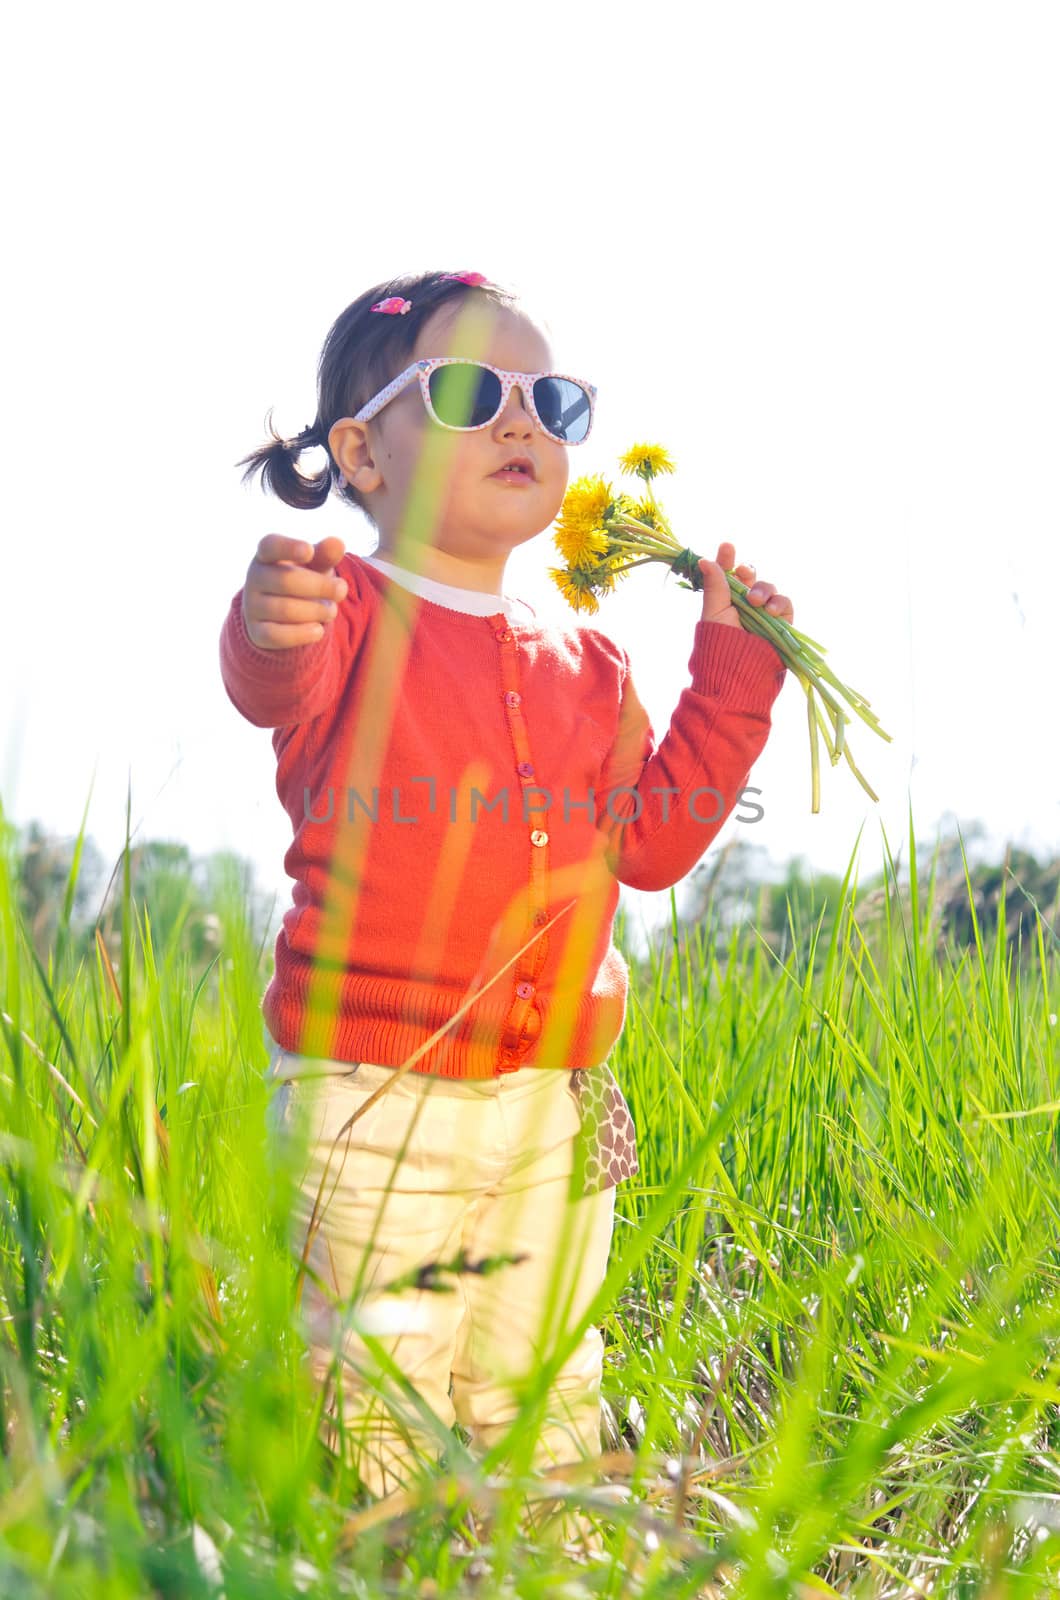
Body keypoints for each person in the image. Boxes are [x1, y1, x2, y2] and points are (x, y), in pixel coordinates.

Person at [218, 269, 794, 1546]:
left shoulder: (588, 661)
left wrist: (732, 681)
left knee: (539, 1387)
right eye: (475, 392)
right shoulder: (344, 609)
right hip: (369, 1092)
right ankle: (375, 1560)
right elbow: (272, 682)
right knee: (368, 1389)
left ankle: (541, 1561)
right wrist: (269, 620)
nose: (523, 423)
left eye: (552, 399)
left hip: (551, 1100)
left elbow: (647, 849)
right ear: (363, 451)